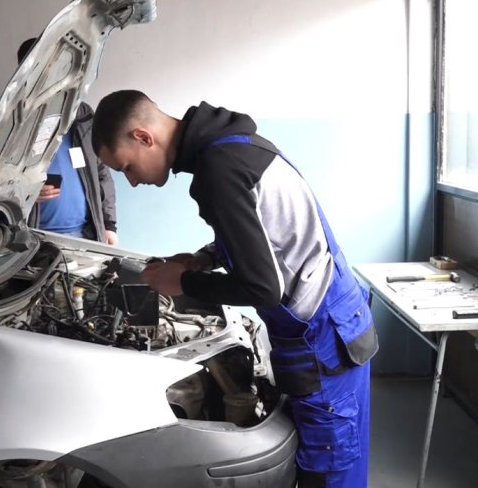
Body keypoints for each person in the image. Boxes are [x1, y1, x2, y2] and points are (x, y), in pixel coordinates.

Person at [90, 90, 378, 488]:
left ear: (143, 137)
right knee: (336, 462)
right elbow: (266, 234)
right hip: (335, 321)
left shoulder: (218, 169)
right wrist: (204, 258)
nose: (133, 181)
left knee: (330, 471)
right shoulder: (233, 145)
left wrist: (183, 282)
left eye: (126, 168)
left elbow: (264, 289)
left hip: (322, 340)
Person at [0, 38, 118, 244]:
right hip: (28, 241)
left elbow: (102, 173)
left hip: (85, 236)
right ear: (25, 72)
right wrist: (22, 191)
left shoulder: (82, 114)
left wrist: (108, 225)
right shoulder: (1, 121)